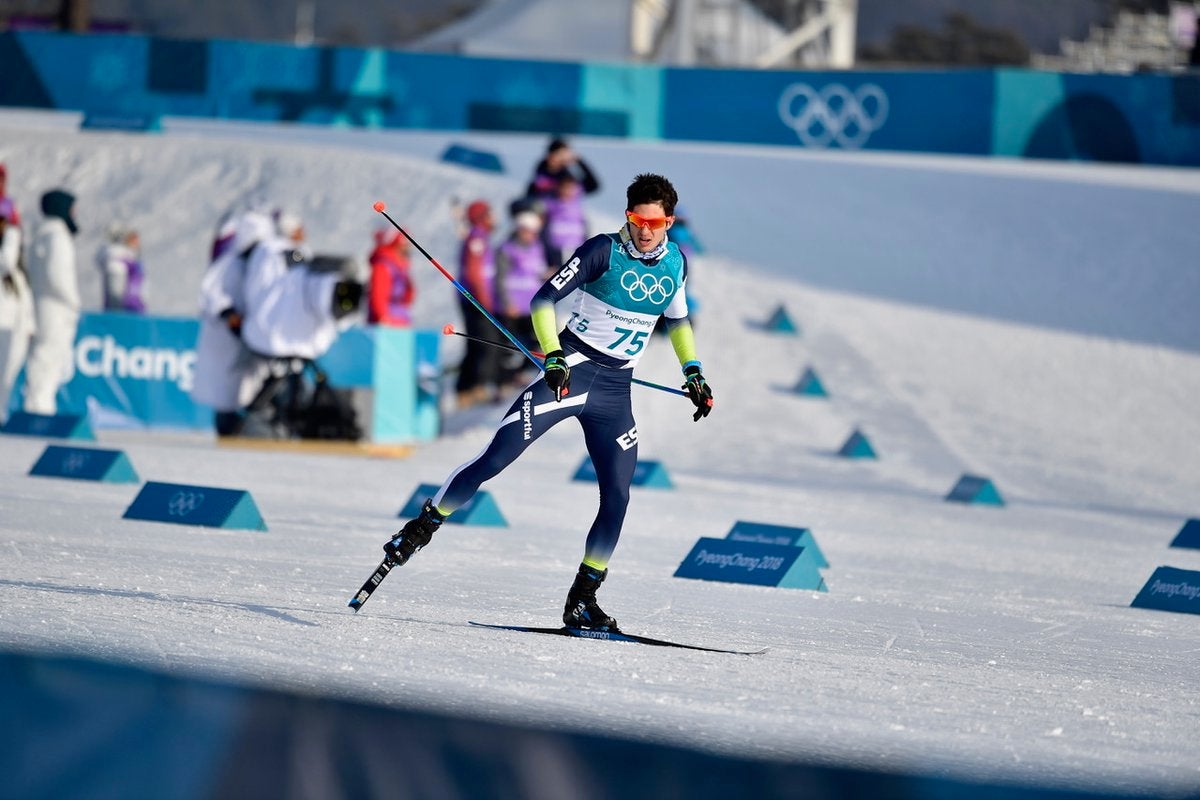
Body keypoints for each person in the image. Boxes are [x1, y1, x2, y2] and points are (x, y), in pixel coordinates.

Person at [375, 173, 714, 632]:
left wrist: (692, 371)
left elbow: (678, 321)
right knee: (494, 459)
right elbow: (542, 300)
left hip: (616, 393)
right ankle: (422, 526)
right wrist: (553, 355)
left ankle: (583, 599)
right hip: (569, 375)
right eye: (636, 220)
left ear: (669, 222)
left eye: (654, 223)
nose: (644, 231)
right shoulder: (601, 251)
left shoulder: (675, 262)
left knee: (617, 496)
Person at [22, 189, 80, 416]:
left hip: (43, 303)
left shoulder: (42, 235)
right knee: (48, 355)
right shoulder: (57, 237)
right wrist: (73, 302)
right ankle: (39, 406)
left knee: (46, 356)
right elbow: (58, 275)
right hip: (56, 307)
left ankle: (40, 402)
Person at [493, 208, 551, 390]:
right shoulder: (507, 249)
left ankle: (522, 375)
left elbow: (537, 271)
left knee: (536, 342)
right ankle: (502, 383)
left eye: (535, 232)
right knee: (510, 348)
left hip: (531, 305)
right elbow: (500, 278)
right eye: (529, 231)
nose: (533, 235)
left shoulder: (537, 247)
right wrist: (507, 303)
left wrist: (547, 274)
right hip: (513, 307)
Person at [454, 199, 500, 409]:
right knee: (486, 342)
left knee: (477, 343)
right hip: (475, 300)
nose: (494, 218)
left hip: (478, 299)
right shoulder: (477, 237)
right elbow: (473, 272)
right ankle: (476, 388)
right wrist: (484, 299)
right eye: (490, 214)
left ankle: (466, 388)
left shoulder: (481, 236)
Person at [0, 198, 35, 423]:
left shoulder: (18, 268)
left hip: (16, 325)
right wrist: (12, 236)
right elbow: (5, 263)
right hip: (3, 324)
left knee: (8, 374)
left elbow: (24, 296)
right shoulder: (6, 254)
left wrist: (30, 324)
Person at [367, 225, 414, 327]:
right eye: (404, 244)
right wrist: (382, 317)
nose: (408, 248)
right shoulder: (383, 266)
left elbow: (407, 297)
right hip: (387, 324)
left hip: (400, 321)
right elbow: (378, 293)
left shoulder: (399, 267)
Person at [96, 223, 146, 313]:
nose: (137, 243)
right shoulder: (120, 258)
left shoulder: (132, 258)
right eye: (132, 239)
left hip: (135, 302)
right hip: (127, 304)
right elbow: (115, 292)